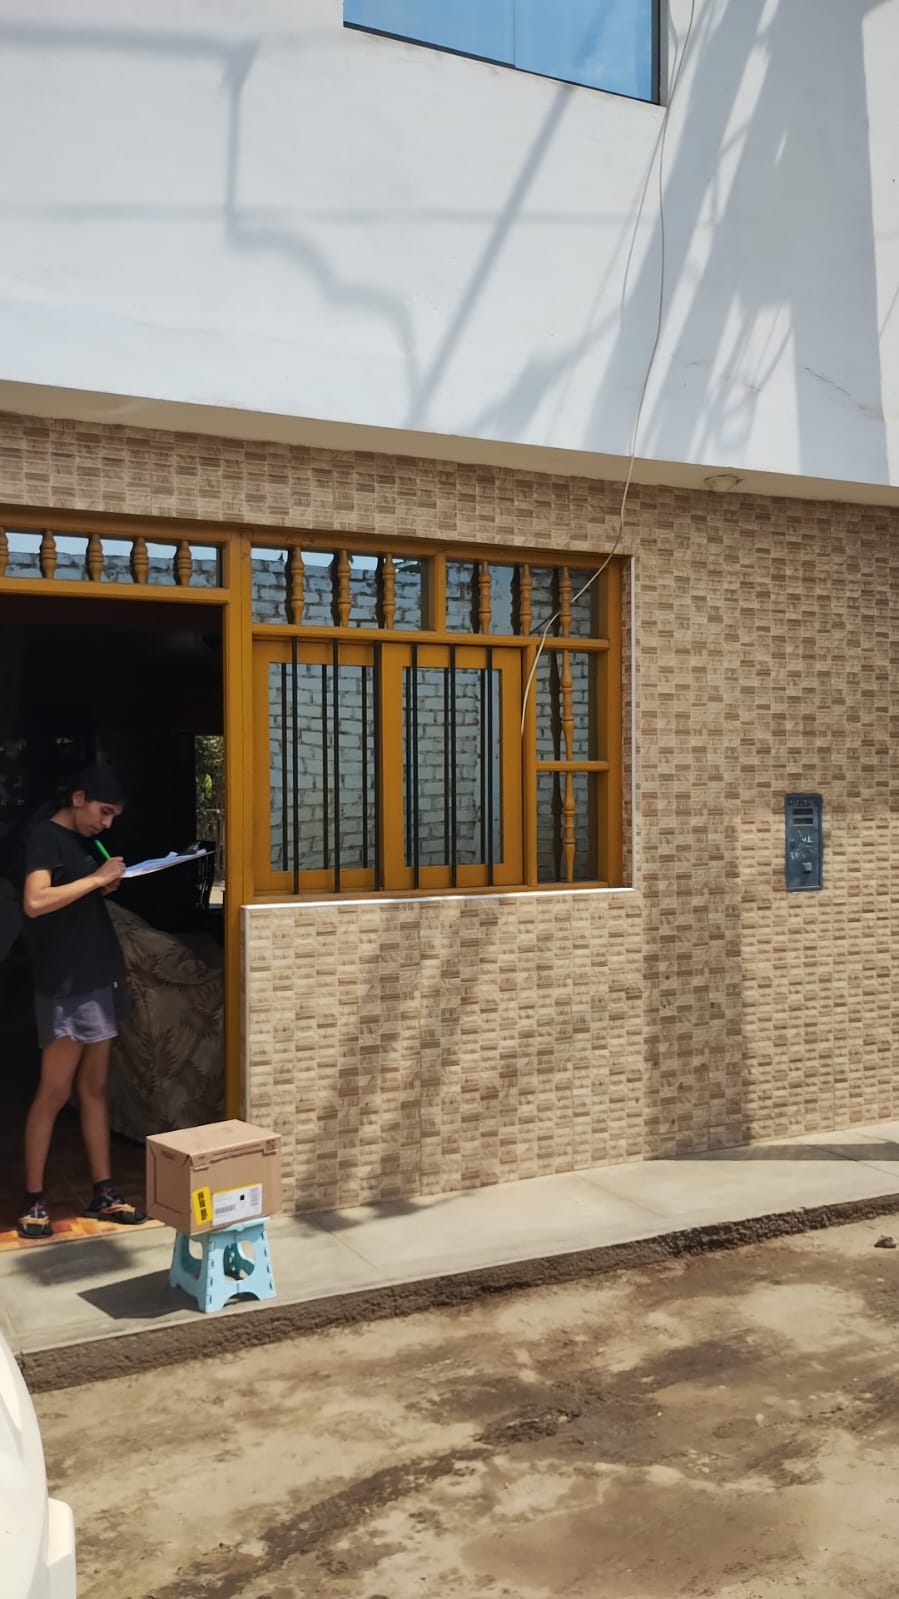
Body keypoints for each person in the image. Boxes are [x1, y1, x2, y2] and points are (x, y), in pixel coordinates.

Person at [17, 765, 146, 1240]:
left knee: (94, 1088)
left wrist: (100, 884)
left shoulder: (84, 842)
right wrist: (95, 880)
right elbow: (35, 902)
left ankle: (104, 1193)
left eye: (113, 817)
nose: (106, 824)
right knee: (54, 1092)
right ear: (77, 798)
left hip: (98, 975)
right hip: (67, 982)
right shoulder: (44, 837)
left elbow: (72, 898)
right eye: (103, 812)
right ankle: (34, 1200)